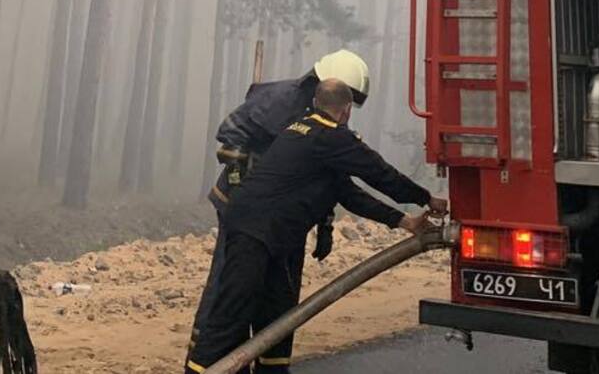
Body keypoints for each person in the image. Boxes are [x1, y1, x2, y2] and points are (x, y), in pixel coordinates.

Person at [185, 79, 442, 372]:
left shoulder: (301, 130)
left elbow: (348, 194)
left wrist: (406, 222)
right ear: (346, 110)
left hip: (269, 233)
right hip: (255, 231)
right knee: (232, 311)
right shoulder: (331, 138)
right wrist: (426, 198)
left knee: (276, 312)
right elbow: (378, 172)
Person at [194, 50, 373, 341]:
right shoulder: (279, 99)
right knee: (231, 286)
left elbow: (326, 177)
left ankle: (268, 354)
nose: (346, 110)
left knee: (279, 291)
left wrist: (325, 225)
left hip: (285, 218)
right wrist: (243, 189)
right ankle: (210, 353)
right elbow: (231, 135)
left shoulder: (326, 118)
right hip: (243, 213)